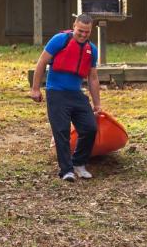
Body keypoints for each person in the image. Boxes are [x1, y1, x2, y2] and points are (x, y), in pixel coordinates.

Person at [29, 12, 101, 181]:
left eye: (87, 32)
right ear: (74, 26)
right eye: (80, 31)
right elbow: (41, 62)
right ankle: (66, 170)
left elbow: (93, 77)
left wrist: (97, 104)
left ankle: (79, 163)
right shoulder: (60, 40)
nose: (83, 35)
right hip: (56, 92)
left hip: (76, 93)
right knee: (61, 131)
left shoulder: (92, 50)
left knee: (90, 128)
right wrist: (35, 89)